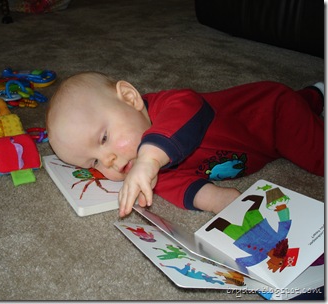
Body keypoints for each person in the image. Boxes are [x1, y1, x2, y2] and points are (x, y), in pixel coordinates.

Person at [46, 71, 324, 217]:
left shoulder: (173, 104)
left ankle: (309, 99)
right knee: (307, 103)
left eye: (103, 139)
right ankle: (315, 95)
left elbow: (190, 111)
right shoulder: (146, 171)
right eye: (94, 162)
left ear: (130, 98)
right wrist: (215, 199)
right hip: (259, 147)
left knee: (317, 156)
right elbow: (179, 187)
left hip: (273, 116)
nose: (107, 160)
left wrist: (149, 158)